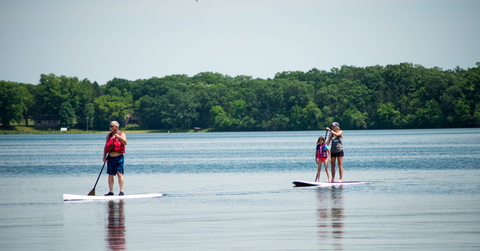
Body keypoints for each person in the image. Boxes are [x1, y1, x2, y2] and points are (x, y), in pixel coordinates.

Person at [104, 121, 127, 196]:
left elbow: (125, 143)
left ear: (116, 127)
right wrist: (104, 156)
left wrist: (119, 138)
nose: (110, 127)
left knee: (119, 174)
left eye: (111, 126)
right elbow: (105, 147)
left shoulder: (122, 134)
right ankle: (111, 191)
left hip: (119, 157)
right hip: (110, 158)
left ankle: (121, 191)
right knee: (110, 175)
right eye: (110, 126)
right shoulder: (109, 136)